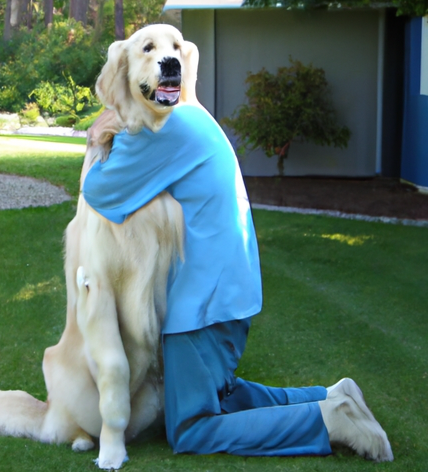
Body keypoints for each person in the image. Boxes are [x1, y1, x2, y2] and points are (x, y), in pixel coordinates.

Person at [82, 104, 393, 461]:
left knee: (190, 428)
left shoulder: (162, 126)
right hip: (224, 289)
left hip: (202, 300)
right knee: (222, 397)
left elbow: (102, 192)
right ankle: (330, 396)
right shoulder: (188, 116)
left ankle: (326, 420)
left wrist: (96, 138)